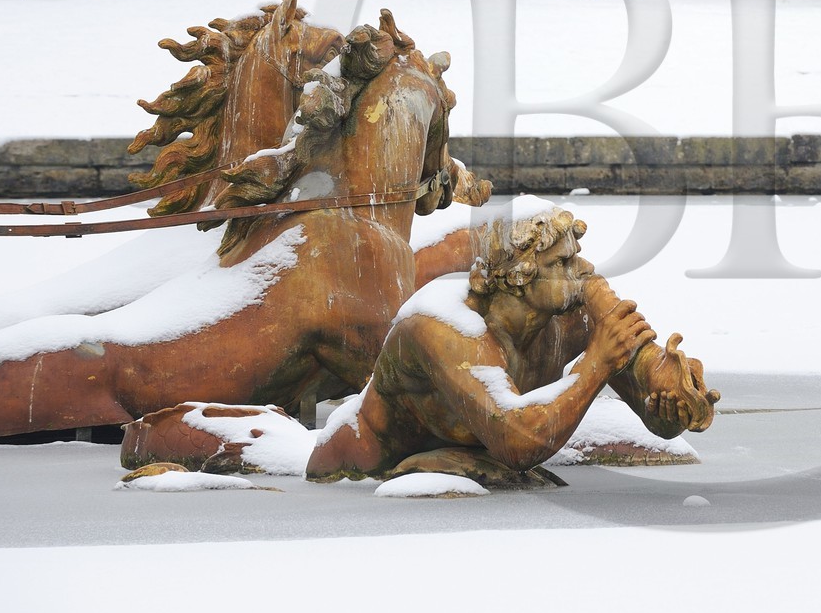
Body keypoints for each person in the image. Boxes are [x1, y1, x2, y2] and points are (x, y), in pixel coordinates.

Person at [307, 203, 717, 487]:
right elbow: (519, 444)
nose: (585, 270)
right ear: (517, 277)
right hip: (360, 472)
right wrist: (596, 364)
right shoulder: (442, 327)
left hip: (467, 457)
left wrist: (671, 402)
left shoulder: (566, 315)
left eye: (576, 257)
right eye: (561, 263)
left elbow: (654, 419)